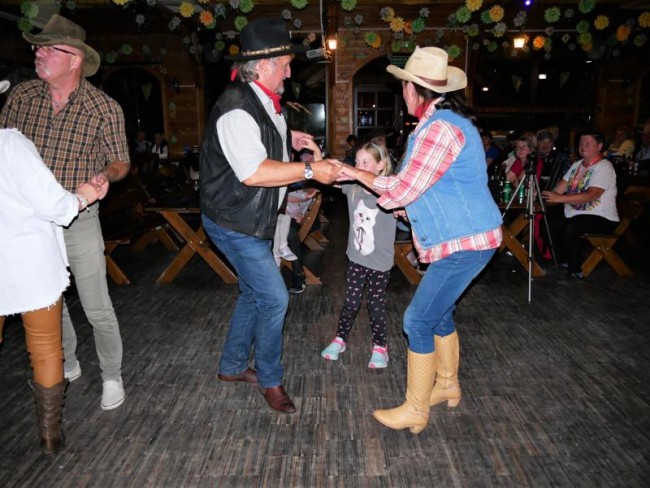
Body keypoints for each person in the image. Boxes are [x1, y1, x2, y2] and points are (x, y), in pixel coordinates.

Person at [339, 47, 502, 434]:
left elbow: (401, 189)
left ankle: (416, 408)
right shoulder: (440, 124)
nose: (402, 93)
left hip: (466, 242)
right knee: (439, 314)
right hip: (464, 239)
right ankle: (446, 386)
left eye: (403, 87)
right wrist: (404, 209)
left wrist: (353, 172)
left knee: (417, 319)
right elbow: (429, 189)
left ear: (412, 89)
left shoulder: (439, 128)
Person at [199, 18, 342, 414]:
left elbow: (263, 138)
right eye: (285, 64)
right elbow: (254, 173)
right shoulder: (236, 109)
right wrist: (311, 170)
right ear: (263, 66)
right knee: (275, 298)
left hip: (249, 218)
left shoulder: (261, 99)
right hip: (235, 222)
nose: (289, 72)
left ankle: (231, 367)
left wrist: (287, 137)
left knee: (253, 294)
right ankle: (269, 379)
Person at [0, 14, 131, 410]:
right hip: (30, 222)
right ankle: (66, 361)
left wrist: (106, 174)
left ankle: (112, 376)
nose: (38, 54)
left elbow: (121, 161)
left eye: (48, 49)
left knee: (96, 305)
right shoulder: (22, 96)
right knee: (47, 300)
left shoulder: (103, 107)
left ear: (74, 58)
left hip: (78, 217)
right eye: (37, 48)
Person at [0, 129, 102, 455]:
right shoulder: (9, 143)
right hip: (27, 262)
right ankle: (49, 437)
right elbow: (52, 205)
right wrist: (83, 196)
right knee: (45, 350)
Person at [321, 141, 396, 369]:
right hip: (356, 259)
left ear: (381, 165)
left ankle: (380, 347)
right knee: (351, 302)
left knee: (375, 304)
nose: (359, 167)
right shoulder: (352, 188)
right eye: (357, 162)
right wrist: (316, 155)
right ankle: (340, 339)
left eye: (366, 162)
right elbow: (328, 177)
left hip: (380, 263)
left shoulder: (390, 192)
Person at [542, 130, 619, 283]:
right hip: (575, 213)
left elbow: (591, 195)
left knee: (570, 229)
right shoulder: (576, 165)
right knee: (547, 224)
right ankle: (561, 261)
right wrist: (546, 197)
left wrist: (559, 198)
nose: (583, 146)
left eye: (588, 143)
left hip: (601, 216)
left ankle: (575, 271)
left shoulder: (604, 167)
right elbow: (558, 190)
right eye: (581, 143)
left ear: (600, 146)